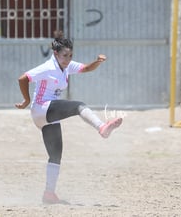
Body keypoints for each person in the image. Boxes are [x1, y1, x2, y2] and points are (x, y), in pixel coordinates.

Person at [15, 34, 122, 204]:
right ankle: (102, 127)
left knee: (55, 155)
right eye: (64, 55)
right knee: (78, 106)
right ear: (56, 54)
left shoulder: (66, 66)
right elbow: (23, 78)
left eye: (70, 55)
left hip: (47, 116)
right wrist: (27, 100)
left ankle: (49, 194)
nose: (68, 59)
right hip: (42, 108)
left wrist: (97, 62)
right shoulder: (48, 67)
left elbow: (86, 68)